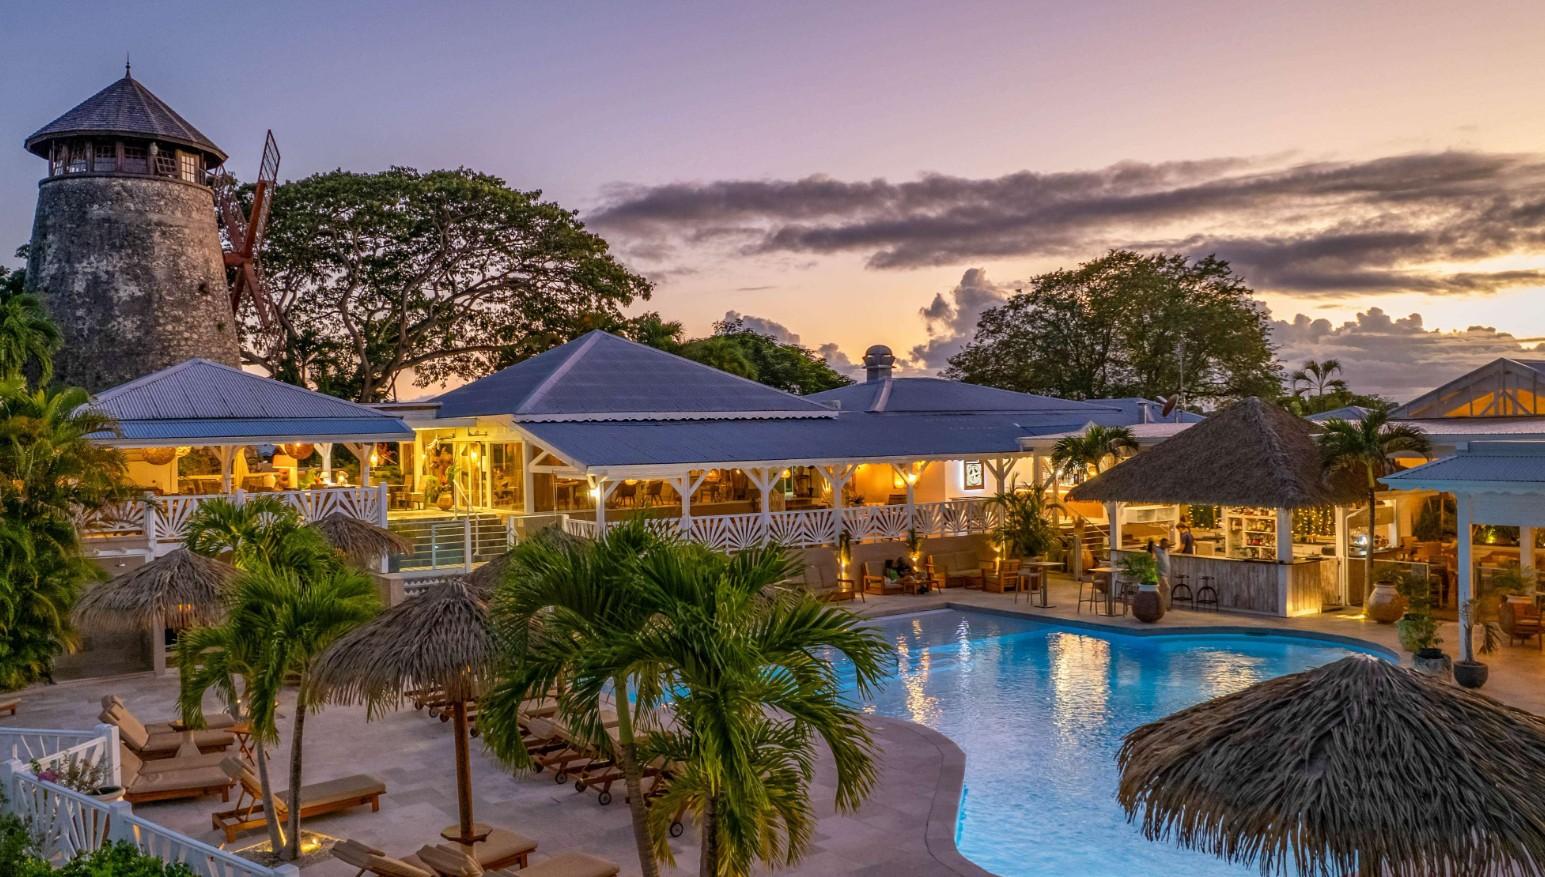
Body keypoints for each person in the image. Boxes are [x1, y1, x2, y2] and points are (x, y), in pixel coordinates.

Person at [1156, 537, 1173, 605]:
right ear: (1161, 544)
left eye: (1167, 544)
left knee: (1161, 590)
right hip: (1160, 573)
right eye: (1165, 544)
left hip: (1166, 574)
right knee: (1167, 588)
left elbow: (1172, 544)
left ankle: (1161, 605)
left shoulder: (1166, 550)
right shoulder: (1157, 550)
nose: (1166, 545)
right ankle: (1162, 604)